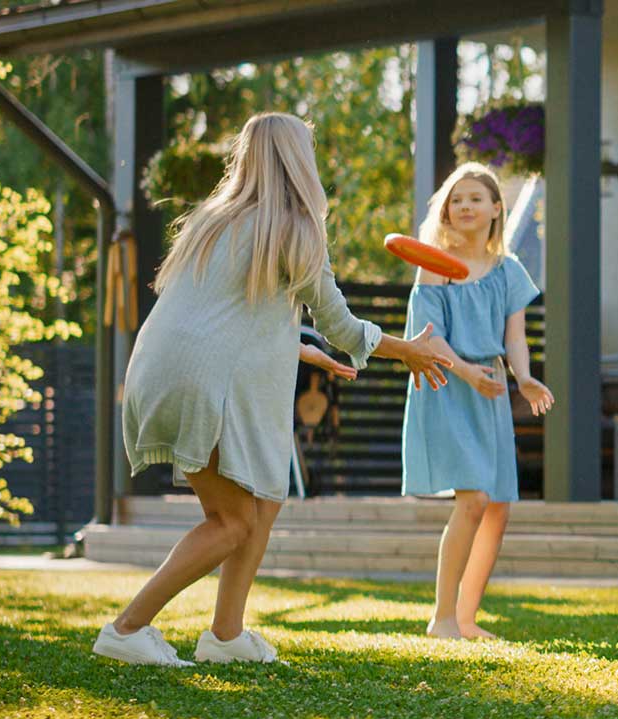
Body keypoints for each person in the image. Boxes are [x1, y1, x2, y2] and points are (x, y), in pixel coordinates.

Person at [96, 112, 454, 666]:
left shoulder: (210, 221)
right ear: (298, 161)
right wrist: (408, 349)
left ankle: (226, 636)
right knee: (233, 521)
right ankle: (126, 628)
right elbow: (343, 326)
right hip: (204, 383)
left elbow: (224, 317)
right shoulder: (297, 229)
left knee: (263, 502)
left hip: (159, 370)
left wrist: (298, 347)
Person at [400, 162, 554, 639]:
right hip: (448, 386)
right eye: (456, 198)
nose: (464, 206)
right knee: (473, 499)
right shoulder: (434, 266)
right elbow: (428, 338)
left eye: (474, 198)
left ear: (494, 208)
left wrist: (523, 377)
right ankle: (441, 618)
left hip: (489, 391)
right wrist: (467, 372)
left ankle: (465, 619)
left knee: (497, 507)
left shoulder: (508, 270)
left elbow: (515, 337)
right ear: (445, 209)